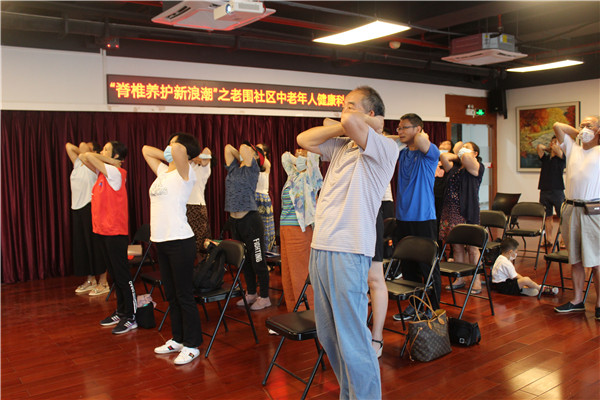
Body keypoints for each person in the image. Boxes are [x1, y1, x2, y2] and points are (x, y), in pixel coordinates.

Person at [297, 86, 399, 399]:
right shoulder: (342, 145)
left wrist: (359, 123)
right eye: (343, 106)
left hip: (349, 248)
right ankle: (350, 394)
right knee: (329, 335)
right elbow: (304, 139)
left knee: (353, 338)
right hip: (321, 245)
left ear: (372, 113)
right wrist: (349, 123)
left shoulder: (384, 147)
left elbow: (352, 124)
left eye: (351, 105)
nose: (344, 110)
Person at [143, 133, 204, 365]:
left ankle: (192, 345)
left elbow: (179, 152)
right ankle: (178, 339)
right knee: (171, 294)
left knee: (184, 295)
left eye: (173, 143)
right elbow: (145, 149)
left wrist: (177, 151)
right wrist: (169, 154)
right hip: (162, 241)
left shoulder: (185, 173)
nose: (170, 147)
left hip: (180, 241)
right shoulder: (164, 172)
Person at [79, 141, 137, 335]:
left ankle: (131, 316)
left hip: (115, 233)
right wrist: (109, 160)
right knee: (113, 274)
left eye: (106, 149)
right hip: (102, 232)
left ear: (116, 156)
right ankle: (121, 311)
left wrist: (112, 163)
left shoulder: (115, 172)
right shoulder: (103, 171)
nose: (101, 152)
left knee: (122, 275)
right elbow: (83, 156)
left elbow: (89, 155)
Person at [391, 113, 441, 321]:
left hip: (423, 218)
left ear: (418, 129)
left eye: (404, 127)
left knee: (427, 266)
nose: (399, 131)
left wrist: (418, 134)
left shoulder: (430, 153)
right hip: (403, 217)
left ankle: (433, 308)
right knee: (408, 265)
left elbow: (421, 140)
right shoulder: (403, 153)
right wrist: (404, 136)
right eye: (398, 128)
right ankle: (415, 304)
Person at [552, 116, 600, 319]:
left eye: (589, 126)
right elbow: (557, 126)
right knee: (576, 259)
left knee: (596, 260)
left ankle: (599, 304)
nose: (584, 129)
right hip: (571, 208)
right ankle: (577, 300)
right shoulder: (572, 148)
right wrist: (578, 131)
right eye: (582, 125)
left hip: (593, 210)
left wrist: (592, 131)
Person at [225, 142, 271, 311]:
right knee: (245, 262)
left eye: (253, 152)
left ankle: (265, 297)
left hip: (250, 221)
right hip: (235, 222)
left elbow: (244, 149)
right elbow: (228, 148)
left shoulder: (253, 170)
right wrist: (242, 157)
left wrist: (248, 154)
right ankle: (251, 292)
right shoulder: (234, 169)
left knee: (258, 260)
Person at [439, 141, 485, 294]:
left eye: (467, 148)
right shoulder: (455, 168)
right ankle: (460, 278)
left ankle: (476, 279)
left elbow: (466, 157)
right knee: (457, 247)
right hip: (451, 212)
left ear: (475, 154)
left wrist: (461, 151)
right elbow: (444, 157)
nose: (463, 150)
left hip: (468, 212)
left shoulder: (477, 166)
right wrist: (459, 153)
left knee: (472, 249)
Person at [279, 149, 322, 312]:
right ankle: (293, 311)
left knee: (300, 274)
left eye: (303, 150)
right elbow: (285, 157)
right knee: (288, 273)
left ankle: (306, 312)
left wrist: (307, 154)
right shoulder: (293, 174)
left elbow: (313, 157)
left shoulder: (311, 175)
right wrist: (298, 157)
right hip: (285, 228)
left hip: (300, 230)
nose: (298, 151)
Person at [66, 141, 109, 295]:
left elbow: (82, 146)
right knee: (82, 247)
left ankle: (103, 282)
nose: (82, 148)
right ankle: (91, 280)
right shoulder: (78, 163)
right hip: (77, 209)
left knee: (95, 246)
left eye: (89, 149)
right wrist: (83, 154)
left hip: (90, 207)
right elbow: (68, 146)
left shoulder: (94, 166)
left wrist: (88, 153)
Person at [492, 238, 558, 297]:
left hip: (499, 285)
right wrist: (526, 281)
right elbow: (515, 276)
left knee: (524, 281)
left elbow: (513, 275)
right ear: (510, 252)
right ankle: (541, 289)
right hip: (504, 287)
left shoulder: (500, 258)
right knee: (526, 280)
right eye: (516, 252)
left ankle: (526, 289)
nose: (516, 254)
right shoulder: (506, 263)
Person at [536, 136, 566, 247]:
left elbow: (558, 150)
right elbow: (539, 147)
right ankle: (548, 239)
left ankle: (563, 240)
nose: (553, 144)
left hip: (557, 191)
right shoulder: (546, 158)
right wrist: (549, 148)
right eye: (552, 142)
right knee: (547, 217)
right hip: (544, 191)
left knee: (562, 217)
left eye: (555, 142)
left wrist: (556, 147)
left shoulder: (562, 158)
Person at [187, 147, 212, 258]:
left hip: (197, 207)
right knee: (186, 243)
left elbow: (207, 151)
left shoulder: (203, 168)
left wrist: (194, 157)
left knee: (199, 243)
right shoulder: (187, 166)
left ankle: (203, 267)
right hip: (183, 207)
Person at [255, 143, 276, 252]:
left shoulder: (266, 163)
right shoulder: (253, 163)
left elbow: (264, 164)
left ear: (265, 152)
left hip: (262, 198)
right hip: (253, 197)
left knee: (265, 227)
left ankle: (266, 252)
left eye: (259, 149)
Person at [434, 140, 453, 233]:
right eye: (442, 143)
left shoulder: (451, 160)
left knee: (441, 217)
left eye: (447, 144)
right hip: (432, 191)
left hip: (444, 193)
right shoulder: (434, 157)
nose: (443, 145)